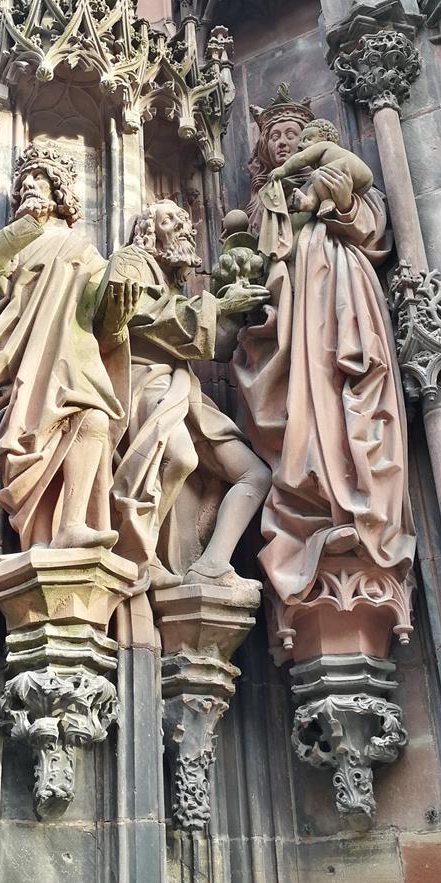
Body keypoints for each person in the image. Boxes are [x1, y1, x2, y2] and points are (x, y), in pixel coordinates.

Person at [228, 87, 416, 648]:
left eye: (294, 134)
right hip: (288, 312)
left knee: (346, 389)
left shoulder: (339, 170)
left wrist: (337, 203)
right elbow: (250, 258)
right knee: (300, 414)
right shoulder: (263, 201)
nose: (286, 142)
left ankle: (359, 511)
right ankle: (312, 513)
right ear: (263, 149)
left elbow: (372, 224)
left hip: (341, 289)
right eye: (275, 137)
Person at [0, 142, 137, 551]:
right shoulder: (15, 242)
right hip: (23, 358)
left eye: (39, 179)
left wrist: (120, 311)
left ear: (59, 190)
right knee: (34, 438)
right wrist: (28, 224)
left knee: (94, 420)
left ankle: (72, 524)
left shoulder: (82, 248)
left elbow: (100, 315)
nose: (30, 185)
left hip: (73, 351)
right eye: (24, 181)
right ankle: (39, 535)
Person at [109, 200, 271, 592]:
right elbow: (143, 317)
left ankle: (212, 564)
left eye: (185, 222)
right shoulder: (129, 261)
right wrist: (219, 305)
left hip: (184, 386)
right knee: (181, 458)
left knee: (255, 473)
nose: (182, 228)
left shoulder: (175, 287)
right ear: (148, 232)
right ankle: (137, 554)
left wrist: (234, 310)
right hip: (143, 379)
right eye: (170, 221)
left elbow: (212, 347)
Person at [268, 118, 374, 219]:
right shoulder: (321, 175)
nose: (300, 145)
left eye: (308, 139)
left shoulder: (325, 145)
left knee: (317, 175)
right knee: (315, 183)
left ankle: (327, 200)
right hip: (362, 185)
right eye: (274, 138)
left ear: (327, 137)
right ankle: (309, 203)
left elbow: (302, 158)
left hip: (351, 167)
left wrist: (283, 170)